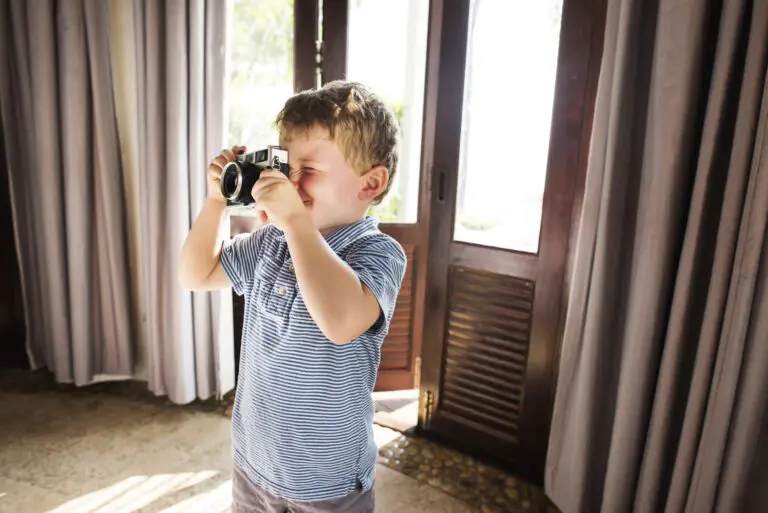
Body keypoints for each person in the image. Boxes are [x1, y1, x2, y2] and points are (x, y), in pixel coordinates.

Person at [178, 80, 407, 513]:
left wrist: (297, 223)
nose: (290, 183)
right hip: (254, 462)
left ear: (370, 183)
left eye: (310, 171)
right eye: (285, 167)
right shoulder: (271, 242)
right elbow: (195, 274)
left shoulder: (378, 253)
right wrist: (215, 202)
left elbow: (340, 322)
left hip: (329, 481)